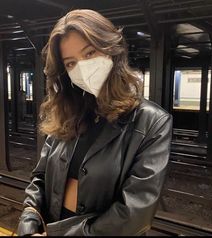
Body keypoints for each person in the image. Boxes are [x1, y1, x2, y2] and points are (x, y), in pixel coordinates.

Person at [17, 9, 172, 236]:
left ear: (111, 49)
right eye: (70, 64)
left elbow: (135, 213)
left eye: (89, 53)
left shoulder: (152, 122)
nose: (82, 68)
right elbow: (39, 178)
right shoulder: (67, 113)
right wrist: (29, 220)